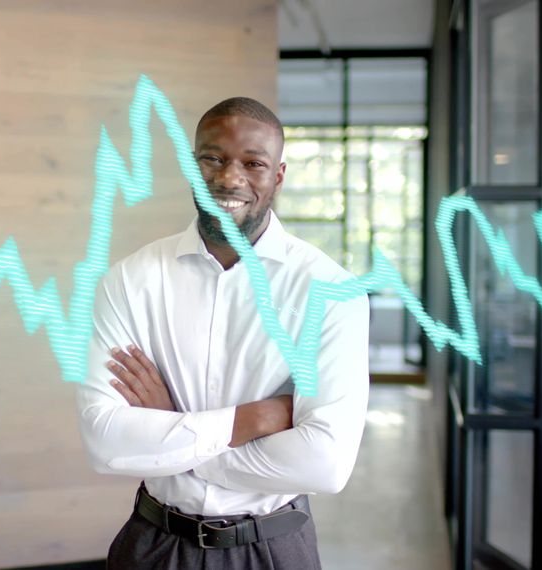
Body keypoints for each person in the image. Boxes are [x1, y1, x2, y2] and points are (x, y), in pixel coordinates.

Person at [76, 97, 369, 569]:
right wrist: (250, 420)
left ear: (278, 176)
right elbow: (105, 442)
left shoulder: (331, 290)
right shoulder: (130, 281)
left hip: (273, 548)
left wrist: (175, 432)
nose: (230, 179)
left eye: (253, 163)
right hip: (155, 545)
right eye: (212, 158)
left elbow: (325, 464)